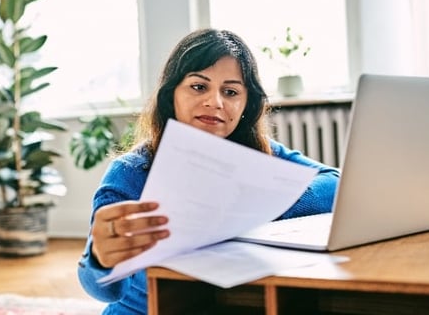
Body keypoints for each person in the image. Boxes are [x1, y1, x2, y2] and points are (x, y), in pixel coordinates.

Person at [77, 28, 340, 314]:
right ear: (171, 94)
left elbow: (337, 182)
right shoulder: (130, 172)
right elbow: (102, 289)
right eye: (199, 87)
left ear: (245, 104)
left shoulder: (261, 155)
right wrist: (100, 259)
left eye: (230, 92)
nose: (215, 102)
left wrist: (265, 202)